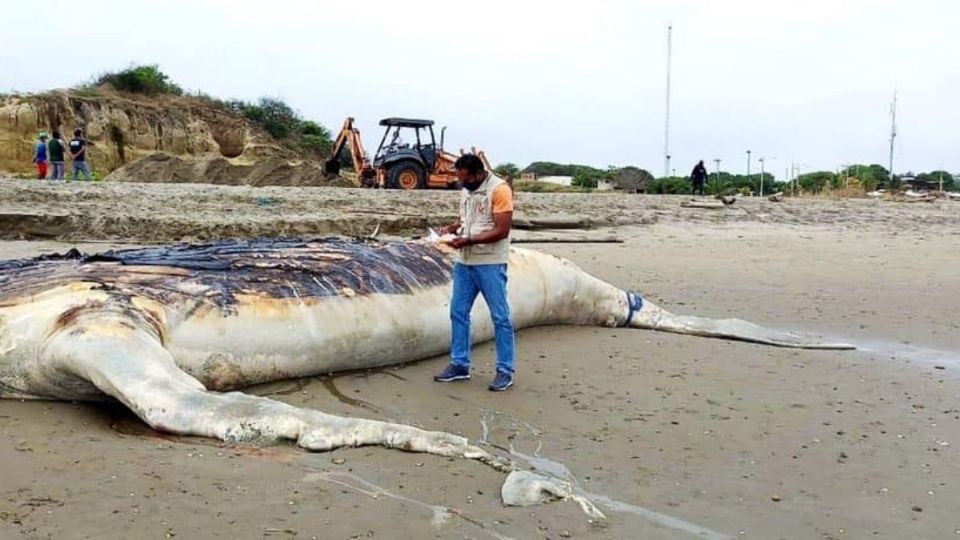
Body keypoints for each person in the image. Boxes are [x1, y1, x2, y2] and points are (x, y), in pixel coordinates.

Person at [434, 154, 516, 392]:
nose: (461, 183)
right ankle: (459, 364)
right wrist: (452, 229)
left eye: (464, 178)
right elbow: (466, 219)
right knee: (458, 312)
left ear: (478, 174)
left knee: (500, 316)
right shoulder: (466, 190)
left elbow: (502, 230)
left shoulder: (500, 190)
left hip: (489, 262)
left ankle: (505, 369)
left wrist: (468, 240)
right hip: (465, 262)